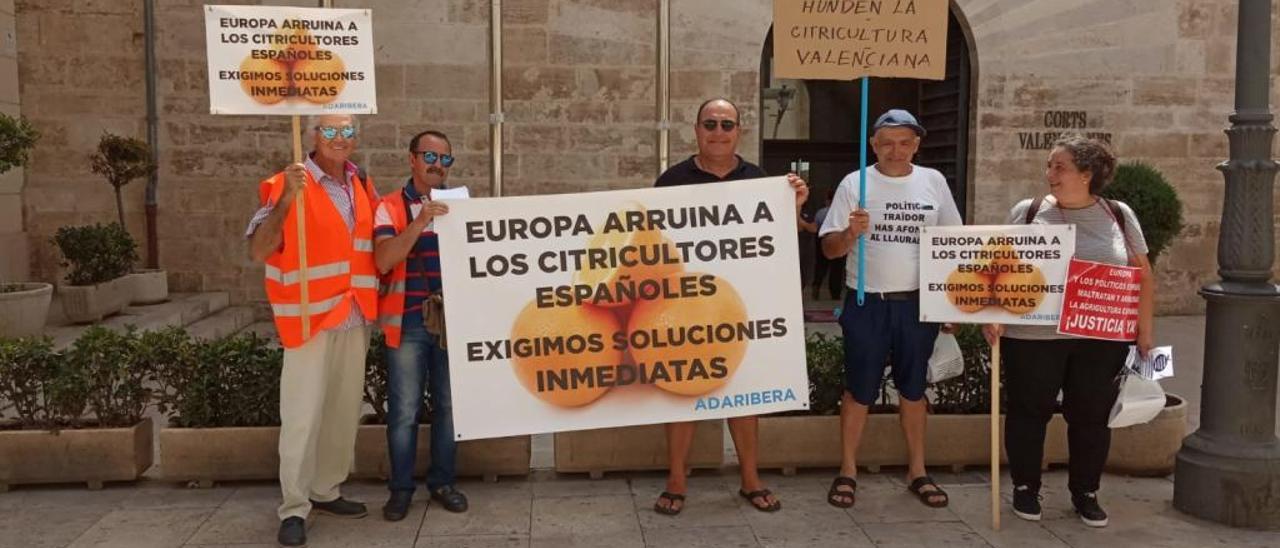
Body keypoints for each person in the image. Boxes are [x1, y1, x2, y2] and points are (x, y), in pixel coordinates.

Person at [983, 135, 1154, 528]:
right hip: (1032, 336)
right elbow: (998, 266)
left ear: (1087, 173)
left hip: (1101, 335)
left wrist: (1145, 331)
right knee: (1028, 412)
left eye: (1059, 167)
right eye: (1049, 166)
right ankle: (1025, 488)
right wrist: (991, 315)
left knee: (1092, 416)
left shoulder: (1119, 214)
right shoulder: (1027, 212)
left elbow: (1143, 274)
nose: (1049, 174)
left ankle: (1086, 492)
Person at [652, 97, 809, 515]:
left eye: (727, 124)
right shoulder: (670, 181)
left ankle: (751, 479)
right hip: (685, 308)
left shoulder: (761, 180)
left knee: (746, 395)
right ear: (696, 130)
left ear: (739, 131)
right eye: (710, 124)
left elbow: (781, 243)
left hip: (740, 309)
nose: (718, 132)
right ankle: (676, 480)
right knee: (683, 393)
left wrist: (793, 210)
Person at [246, 114, 380, 548]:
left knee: (343, 412)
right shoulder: (284, 182)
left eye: (347, 132)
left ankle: (326, 489)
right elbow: (259, 250)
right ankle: (294, 506)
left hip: (355, 312)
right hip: (308, 318)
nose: (340, 139)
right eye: (330, 131)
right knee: (302, 416)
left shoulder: (362, 183)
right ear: (313, 136)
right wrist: (287, 199)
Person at [818, 109, 962, 510]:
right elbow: (828, 248)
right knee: (859, 390)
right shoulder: (855, 183)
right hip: (868, 302)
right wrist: (850, 233)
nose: (895, 150)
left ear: (916, 144)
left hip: (917, 303)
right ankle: (847, 469)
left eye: (903, 142)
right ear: (873, 145)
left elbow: (952, 242)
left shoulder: (933, 182)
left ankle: (918, 469)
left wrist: (951, 305)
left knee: (914, 390)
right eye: (886, 143)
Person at [373, 130, 469, 521]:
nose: (437, 165)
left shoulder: (462, 205)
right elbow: (383, 260)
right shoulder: (389, 207)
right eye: (430, 156)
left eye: (445, 159)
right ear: (412, 158)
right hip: (407, 323)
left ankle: (443, 482)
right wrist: (420, 221)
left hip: (451, 323)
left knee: (448, 407)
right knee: (405, 410)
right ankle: (400, 490)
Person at [810, 190, 844, 300]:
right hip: (839, 240)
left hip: (822, 240)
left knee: (820, 266)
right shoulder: (842, 212)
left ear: (827, 200)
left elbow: (815, 227)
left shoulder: (821, 212)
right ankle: (835, 294)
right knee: (837, 269)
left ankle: (816, 286)